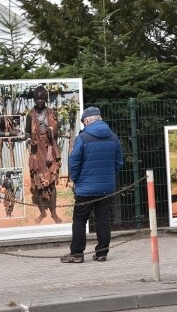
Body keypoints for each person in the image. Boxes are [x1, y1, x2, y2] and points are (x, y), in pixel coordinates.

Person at [60, 106, 123, 263]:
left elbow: (74, 162)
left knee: (80, 220)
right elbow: (118, 162)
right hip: (106, 187)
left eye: (83, 122)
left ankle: (77, 254)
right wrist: (109, 177)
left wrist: (75, 179)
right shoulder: (113, 137)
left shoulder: (83, 138)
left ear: (87, 120)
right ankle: (102, 253)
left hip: (85, 188)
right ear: (100, 119)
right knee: (103, 218)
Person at [25, 85, 62, 224]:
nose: (39, 100)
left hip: (50, 151)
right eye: (37, 98)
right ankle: (42, 213)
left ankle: (54, 213)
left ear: (45, 98)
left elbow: (58, 132)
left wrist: (52, 132)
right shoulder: (30, 115)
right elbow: (27, 133)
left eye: (42, 98)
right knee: (38, 183)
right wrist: (30, 141)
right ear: (34, 99)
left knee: (51, 182)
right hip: (36, 152)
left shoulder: (52, 113)